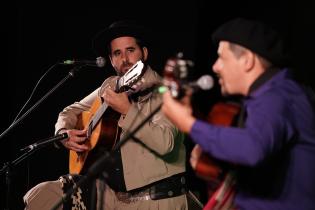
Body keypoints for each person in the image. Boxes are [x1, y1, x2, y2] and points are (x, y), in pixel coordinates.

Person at [23, 20, 188, 210]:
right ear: (111, 60)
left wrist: (128, 110)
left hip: (155, 201)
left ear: (145, 53)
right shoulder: (110, 86)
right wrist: (64, 132)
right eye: (117, 53)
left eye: (130, 50)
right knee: (42, 196)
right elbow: (70, 111)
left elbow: (165, 143)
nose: (125, 59)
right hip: (112, 199)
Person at [162, 17, 315, 210]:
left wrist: (189, 124)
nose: (215, 67)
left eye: (222, 58)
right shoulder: (271, 95)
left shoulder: (277, 96)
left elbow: (252, 149)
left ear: (247, 61)